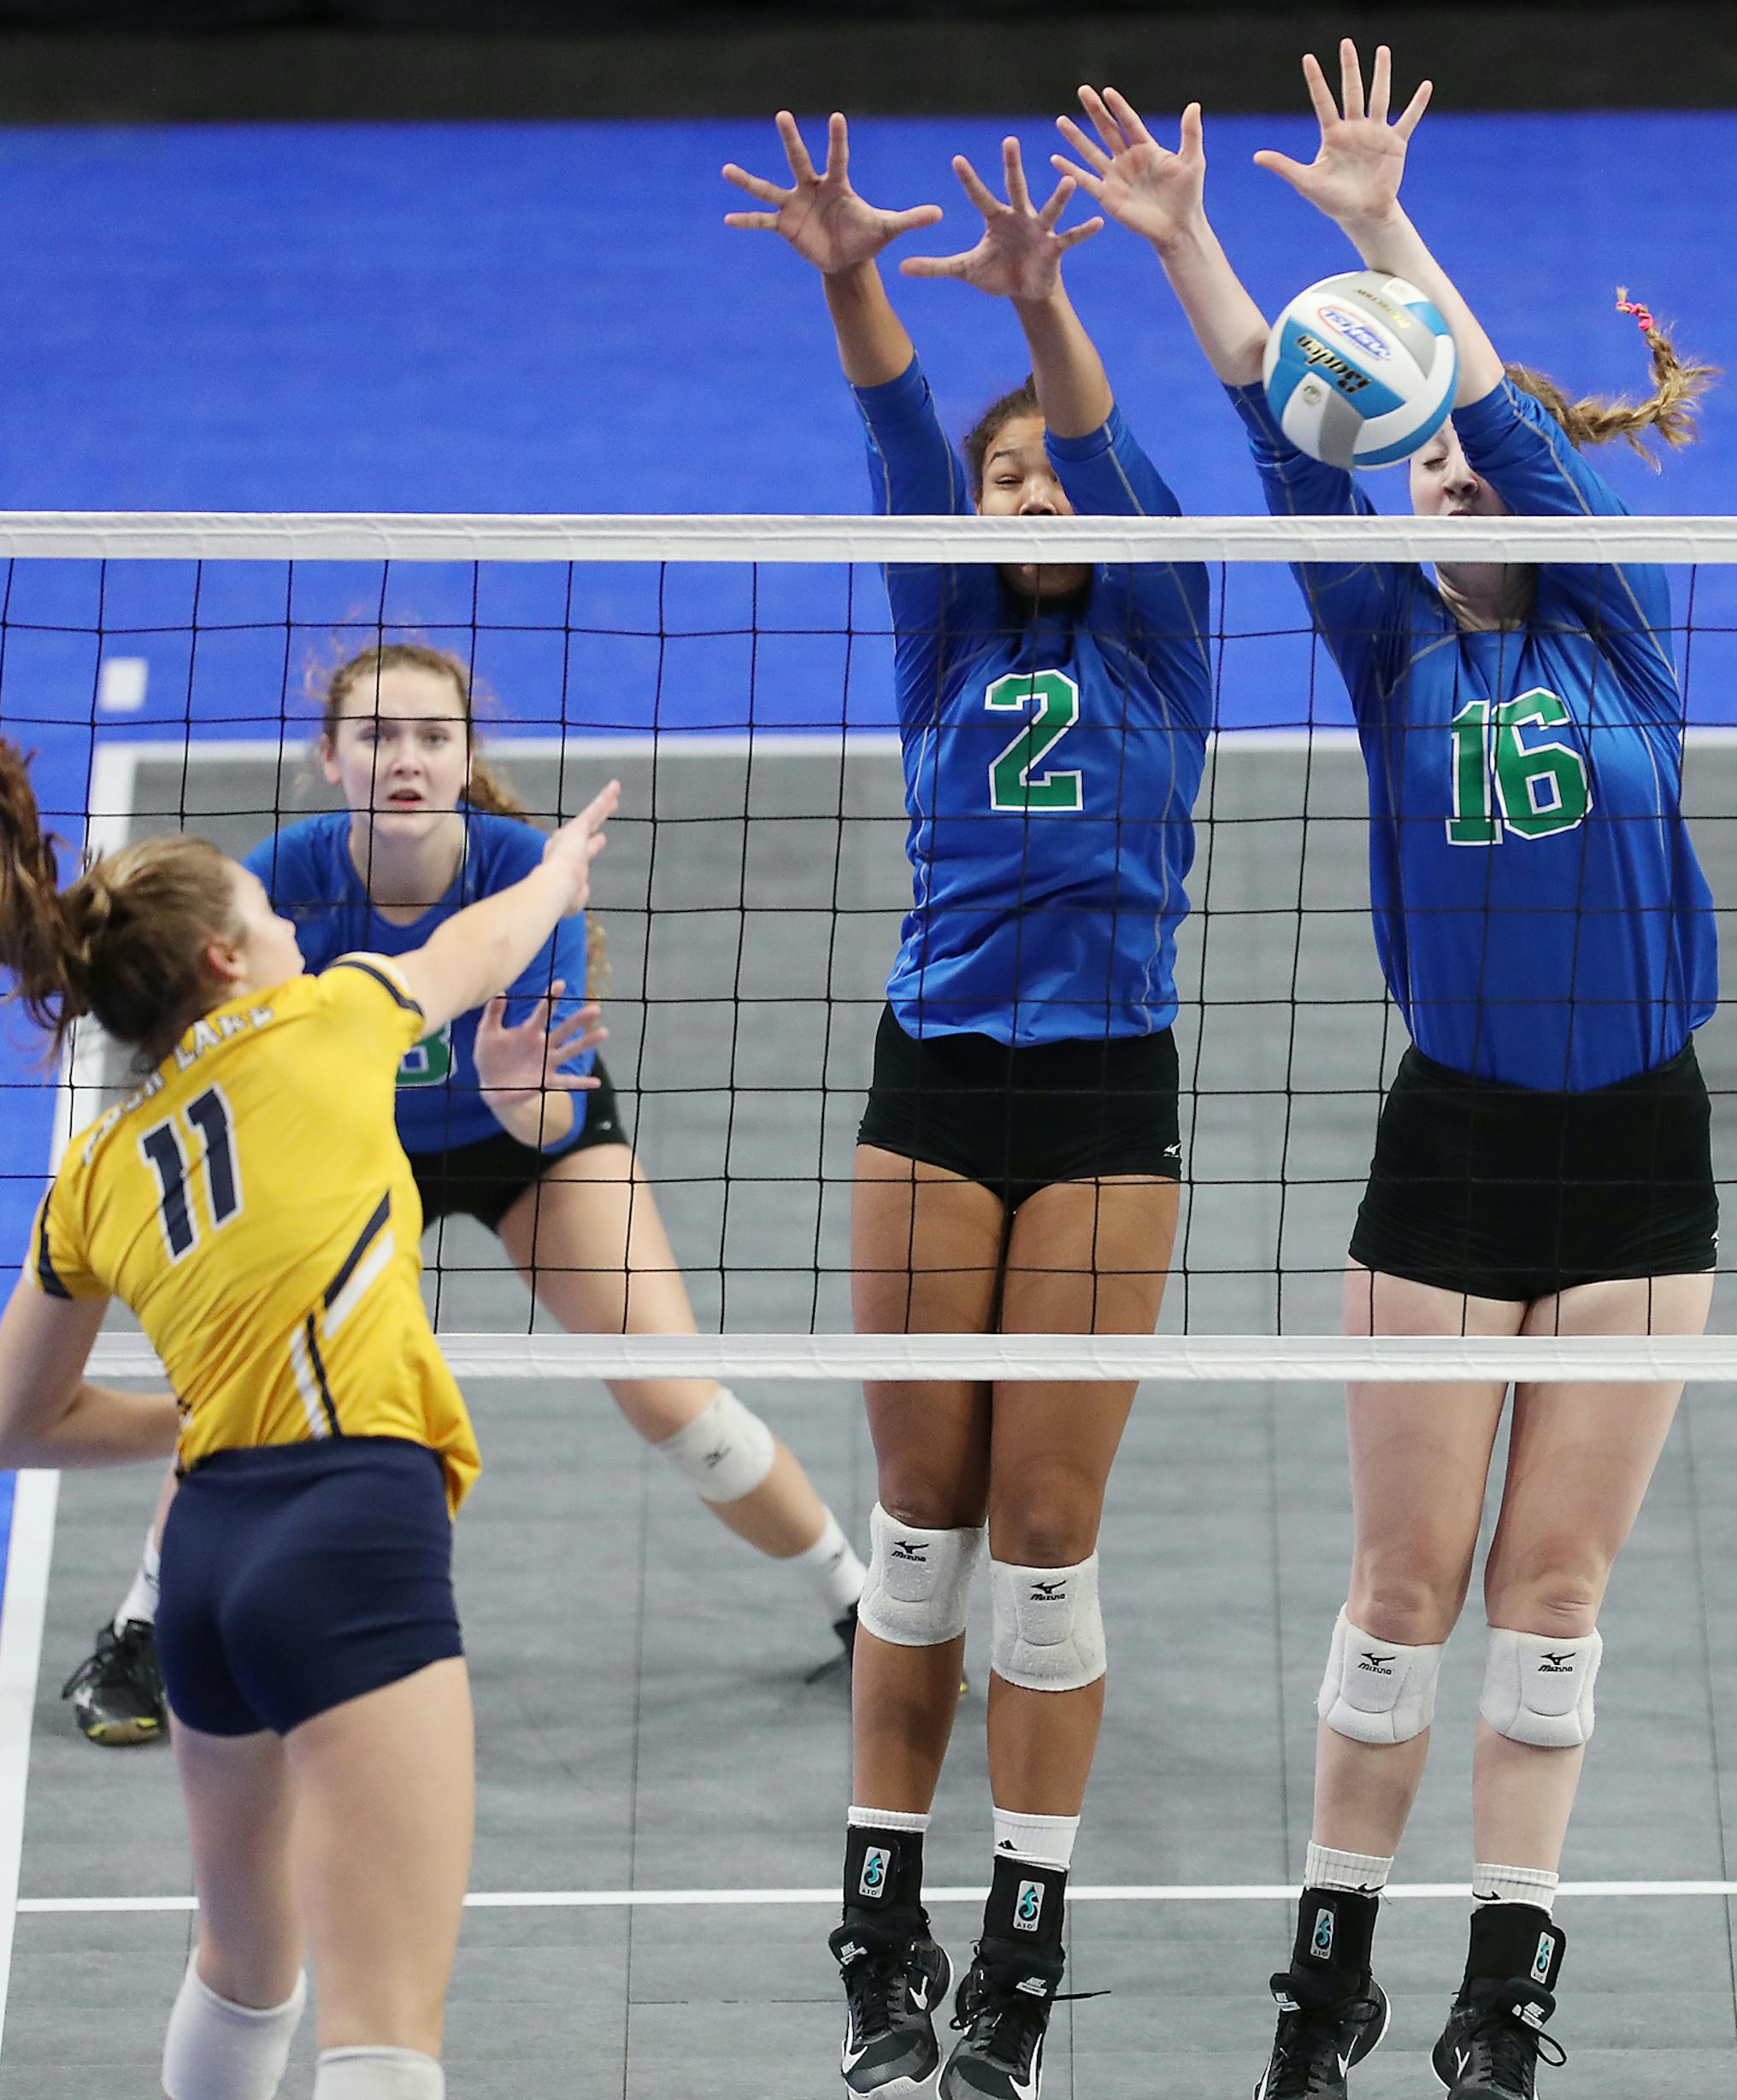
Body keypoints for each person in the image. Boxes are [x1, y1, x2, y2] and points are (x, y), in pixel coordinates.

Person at [1057, 42, 1718, 2097]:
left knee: (1554, 1594)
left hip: (1638, 1157)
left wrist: (1375, 226)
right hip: (1449, 1156)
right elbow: (1289, 436)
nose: (1441, 492)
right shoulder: (1389, 645)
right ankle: (1324, 1982)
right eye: (1420, 480)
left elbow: (1495, 399)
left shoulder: (1622, 626)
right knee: (1402, 1585)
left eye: (1464, 473)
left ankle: (1501, 1987)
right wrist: (1189, 248)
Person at [0, 722, 615, 2099]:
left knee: (244, 1965)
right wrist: (563, 869)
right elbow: (477, 948)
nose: (297, 921)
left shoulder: (97, 1167)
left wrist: (195, 1419)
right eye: (269, 911)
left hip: (208, 1566)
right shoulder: (326, 1014)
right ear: (228, 962)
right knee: (384, 2024)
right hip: (351, 1526)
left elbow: (12, 1428)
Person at [724, 112, 1211, 2100]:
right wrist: (853, 275)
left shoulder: (1163, 636)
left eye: (1047, 473)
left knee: (1047, 1525)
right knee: (918, 1518)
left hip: (1108, 1099)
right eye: (999, 476)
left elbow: (1093, 445)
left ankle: (1021, 1939)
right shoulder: (943, 634)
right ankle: (878, 1923)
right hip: (934, 1091)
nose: (1021, 493)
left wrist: (1049, 293)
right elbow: (898, 443)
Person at [62, 640, 865, 1747]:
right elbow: (223, 1071)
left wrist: (512, 1091)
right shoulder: (282, 884)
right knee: (250, 1388)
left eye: (433, 736)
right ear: (330, 757)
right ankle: (142, 1628)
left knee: (670, 1393)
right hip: (343, 1148)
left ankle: (861, 1599)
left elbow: (546, 1111)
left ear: (466, 754)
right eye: (379, 735)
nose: (407, 758)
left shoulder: (514, 868)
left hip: (522, 1142)